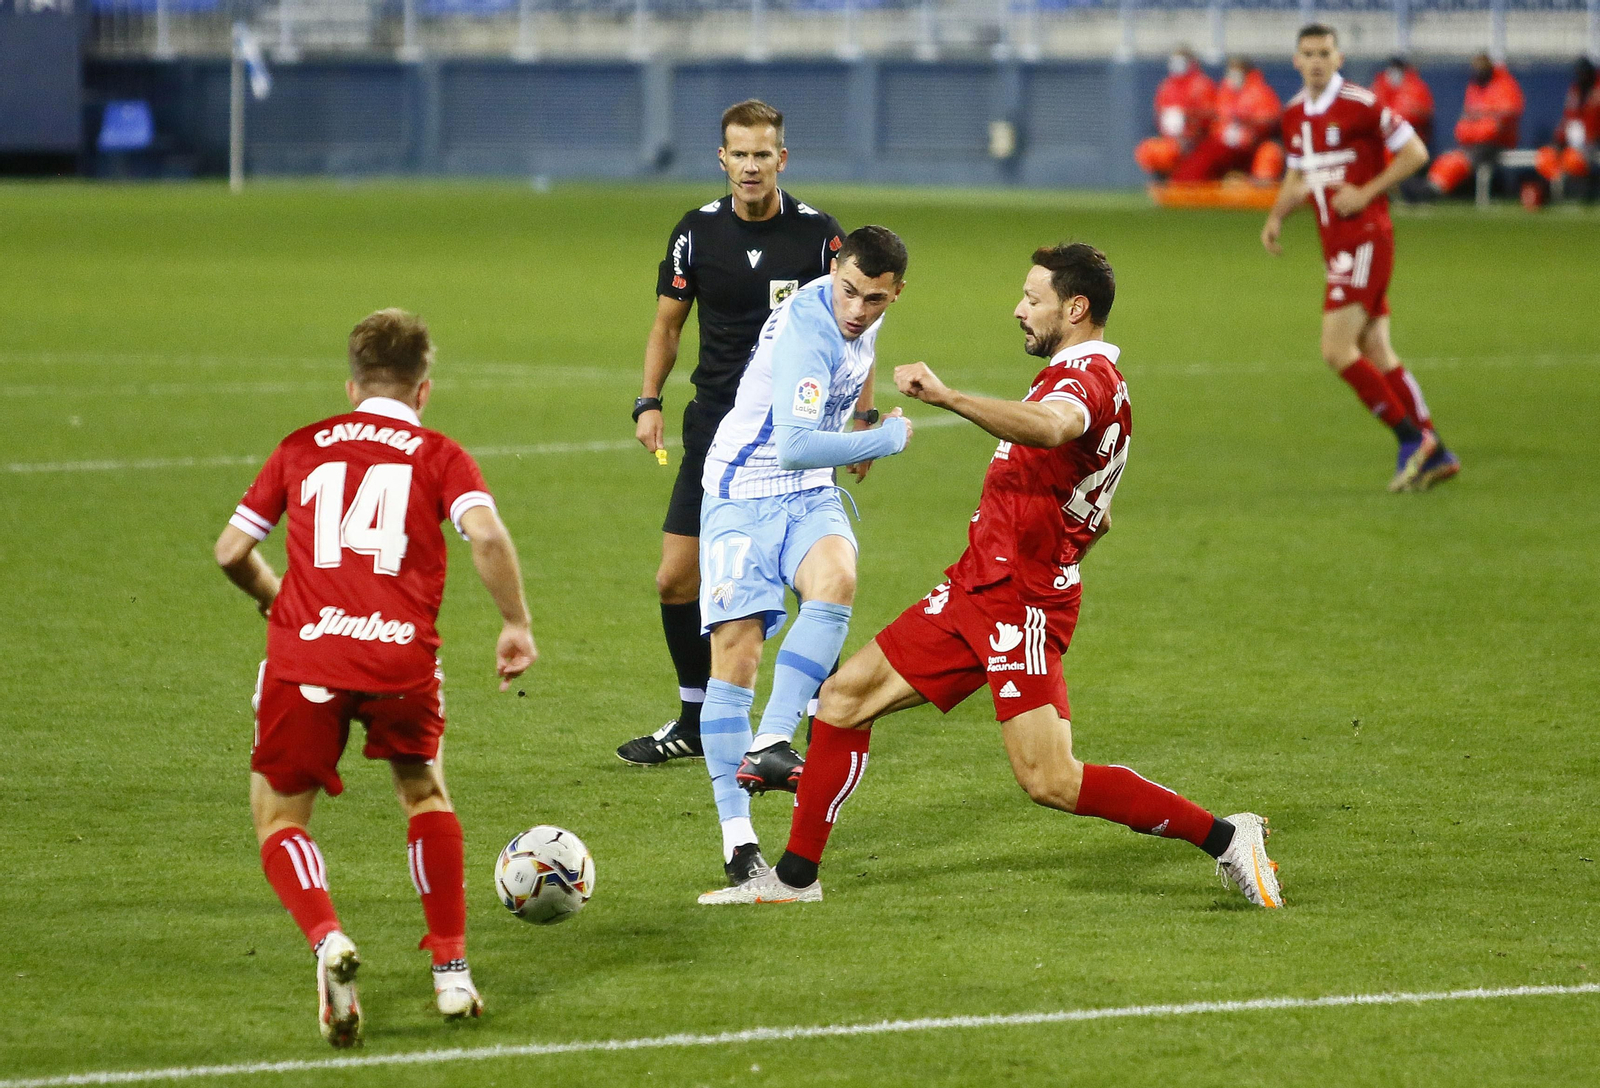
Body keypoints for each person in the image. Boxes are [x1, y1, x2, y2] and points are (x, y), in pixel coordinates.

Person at [698, 244, 1283, 910]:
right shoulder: (1075, 375)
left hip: (1021, 604)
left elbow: (1053, 428)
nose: (1018, 309)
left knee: (1049, 778)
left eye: (1032, 299)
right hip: (975, 587)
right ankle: (794, 880)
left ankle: (1226, 837)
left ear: (1076, 307)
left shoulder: (1084, 380)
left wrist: (948, 397)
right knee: (842, 700)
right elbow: (1098, 505)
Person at [214, 309, 536, 1046]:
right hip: (399, 659)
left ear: (351, 385)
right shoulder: (437, 453)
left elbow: (231, 549)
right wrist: (514, 623)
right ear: (422, 391)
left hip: (306, 659)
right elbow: (484, 533)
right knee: (423, 794)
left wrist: (277, 601)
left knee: (279, 819)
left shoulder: (301, 446)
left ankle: (327, 938)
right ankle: (452, 975)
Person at [617, 99, 849, 769]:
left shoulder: (819, 237)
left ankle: (813, 716)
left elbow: (851, 326)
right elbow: (667, 326)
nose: (751, 166)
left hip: (793, 437)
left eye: (762, 153)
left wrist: (857, 416)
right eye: (739, 154)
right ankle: (694, 718)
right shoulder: (695, 233)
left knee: (817, 581)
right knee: (674, 579)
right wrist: (648, 401)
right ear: (723, 160)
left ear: (782, 158)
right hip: (714, 433)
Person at [694, 225, 914, 892]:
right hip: (741, 493)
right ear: (834, 271)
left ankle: (770, 740)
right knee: (736, 654)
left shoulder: (863, 315)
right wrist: (888, 441)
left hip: (809, 495)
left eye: (875, 300)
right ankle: (738, 840)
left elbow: (862, 356)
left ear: (895, 293)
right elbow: (791, 445)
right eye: (849, 292)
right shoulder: (806, 331)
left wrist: (867, 415)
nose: (858, 310)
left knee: (837, 580)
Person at [1262, 24, 1459, 492]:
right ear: (1295, 60)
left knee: (1335, 349)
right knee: (1375, 348)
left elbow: (1415, 152)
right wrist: (1276, 216)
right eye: (1307, 53)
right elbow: (1298, 174)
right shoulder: (1293, 115)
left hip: (1366, 237)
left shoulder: (1362, 104)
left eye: (1323, 53)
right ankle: (1437, 450)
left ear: (1339, 57)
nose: (1315, 61)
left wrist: (1368, 191)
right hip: (1336, 243)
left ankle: (1414, 441)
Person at [1171, 56, 1285, 183]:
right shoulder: (1225, 92)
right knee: (1205, 153)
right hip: (1224, 144)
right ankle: (1184, 183)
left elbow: (1270, 121)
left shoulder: (1261, 93)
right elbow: (1215, 118)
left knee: (1268, 152)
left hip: (1248, 145)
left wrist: (1246, 123)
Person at [1426, 53, 1525, 196]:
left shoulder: (1505, 84)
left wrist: (1483, 119)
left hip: (1496, 143)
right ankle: (1431, 185)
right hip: (1473, 142)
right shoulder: (1475, 86)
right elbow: (1467, 116)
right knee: (1450, 157)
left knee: (1464, 159)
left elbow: (1508, 113)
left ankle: (1436, 190)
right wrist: (1479, 123)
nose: (1478, 73)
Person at [1134, 48, 1217, 178]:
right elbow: (1159, 113)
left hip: (1195, 139)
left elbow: (1210, 115)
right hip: (1170, 137)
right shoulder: (1167, 86)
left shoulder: (1202, 84)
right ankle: (1165, 180)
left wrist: (1188, 117)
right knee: (1149, 150)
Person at [1533, 57, 1599, 197]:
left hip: (1593, 141)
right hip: (1572, 140)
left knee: (1574, 158)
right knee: (1546, 155)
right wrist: (1559, 138)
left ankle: (1581, 192)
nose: (1581, 77)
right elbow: (1568, 118)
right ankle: (1553, 190)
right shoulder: (1575, 91)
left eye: (1584, 73)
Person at [1371, 55, 1435, 148]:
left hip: (1410, 141)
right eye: (1393, 66)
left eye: (1399, 67)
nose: (1395, 71)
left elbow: (1424, 113)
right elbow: (1371, 109)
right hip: (1383, 141)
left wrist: (1395, 117)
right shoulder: (1380, 84)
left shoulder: (1416, 86)